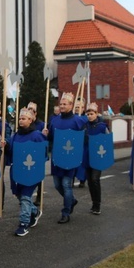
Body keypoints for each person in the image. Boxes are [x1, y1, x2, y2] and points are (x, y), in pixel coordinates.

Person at [43, 92, 86, 223]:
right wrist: (46, 134)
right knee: (57, 185)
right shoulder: (54, 120)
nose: (62, 106)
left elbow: (84, 139)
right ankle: (71, 200)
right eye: (60, 104)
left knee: (66, 184)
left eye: (64, 104)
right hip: (57, 157)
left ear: (71, 105)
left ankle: (66, 212)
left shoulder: (78, 121)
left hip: (70, 158)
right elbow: (51, 138)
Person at [5, 107, 47, 235]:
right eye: (20, 118)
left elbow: (42, 154)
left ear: (30, 120)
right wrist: (5, 146)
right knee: (19, 195)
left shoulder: (37, 135)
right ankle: (34, 211)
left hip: (31, 172)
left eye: (24, 118)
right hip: (18, 171)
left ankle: (23, 224)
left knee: (25, 197)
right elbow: (11, 152)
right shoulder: (15, 136)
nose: (21, 120)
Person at [84, 102, 109, 213]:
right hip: (87, 157)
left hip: (98, 157)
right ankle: (94, 203)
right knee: (90, 181)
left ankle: (97, 205)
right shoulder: (84, 126)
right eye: (88, 114)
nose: (89, 116)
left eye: (91, 114)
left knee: (95, 179)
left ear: (96, 114)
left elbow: (108, 141)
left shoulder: (102, 127)